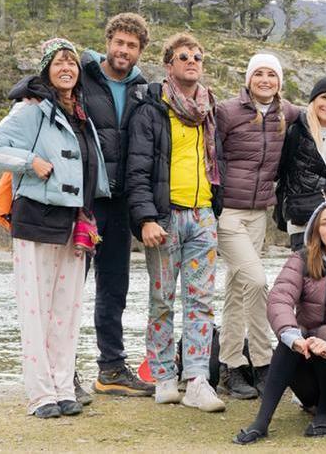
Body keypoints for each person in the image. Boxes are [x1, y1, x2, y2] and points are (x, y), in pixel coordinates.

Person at [215, 54, 326, 399]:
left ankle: (231, 365)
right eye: (259, 74)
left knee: (238, 288)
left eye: (272, 75)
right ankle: (265, 362)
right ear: (249, 78)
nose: (265, 80)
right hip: (229, 211)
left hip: (257, 213)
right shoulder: (229, 111)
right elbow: (212, 149)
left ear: (280, 83)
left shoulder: (286, 113)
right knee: (257, 280)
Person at [0, 38, 109, 419]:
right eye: (58, 63)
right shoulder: (31, 110)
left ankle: (64, 387)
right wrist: (28, 160)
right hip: (36, 218)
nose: (66, 67)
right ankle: (40, 394)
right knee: (35, 309)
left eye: (72, 62)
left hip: (74, 221)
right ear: (46, 70)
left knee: (67, 311)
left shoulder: (79, 112)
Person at [125, 32, 226, 412]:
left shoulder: (208, 110)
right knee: (162, 300)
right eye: (184, 56)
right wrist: (146, 218)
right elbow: (137, 170)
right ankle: (164, 376)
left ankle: (198, 380)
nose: (192, 61)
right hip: (166, 218)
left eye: (198, 56)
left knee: (201, 302)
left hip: (202, 216)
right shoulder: (152, 109)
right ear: (169, 64)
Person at [233, 201, 326, 445]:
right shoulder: (301, 260)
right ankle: (262, 421)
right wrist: (292, 336)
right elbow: (279, 299)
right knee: (294, 333)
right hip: (307, 367)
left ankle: (325, 412)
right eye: (325, 223)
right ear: (316, 231)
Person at [79, 13, 155, 399]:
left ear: (140, 51)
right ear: (108, 42)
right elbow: (37, 88)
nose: (123, 50)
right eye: (119, 42)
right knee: (70, 288)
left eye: (132, 45)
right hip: (85, 201)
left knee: (114, 289)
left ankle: (110, 369)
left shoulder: (144, 89)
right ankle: (59, 370)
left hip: (122, 204)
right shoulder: (82, 76)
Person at [276, 76, 326, 252]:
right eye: (324, 97)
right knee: (308, 277)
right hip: (303, 222)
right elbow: (279, 172)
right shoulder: (296, 130)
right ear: (313, 100)